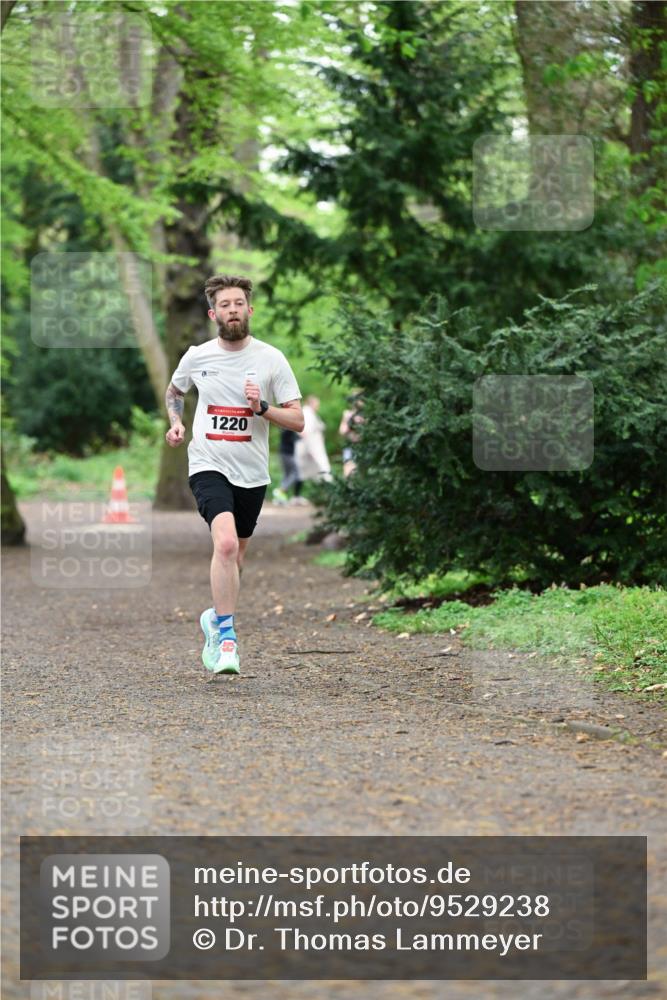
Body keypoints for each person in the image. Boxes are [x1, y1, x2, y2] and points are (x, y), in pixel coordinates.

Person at [165, 274, 303, 675]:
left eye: (239, 303)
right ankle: (226, 639)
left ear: (249, 309)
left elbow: (297, 420)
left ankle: (214, 615)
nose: (232, 310)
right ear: (213, 313)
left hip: (252, 473)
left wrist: (262, 409)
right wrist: (176, 422)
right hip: (208, 463)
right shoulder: (197, 356)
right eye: (224, 305)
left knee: (237, 556)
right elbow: (175, 391)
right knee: (224, 545)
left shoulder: (271, 359)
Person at [295, 395, 332, 495]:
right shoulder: (307, 413)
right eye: (317, 404)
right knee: (322, 468)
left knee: (313, 472)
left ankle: (323, 494)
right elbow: (306, 432)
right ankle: (328, 493)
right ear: (311, 403)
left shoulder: (311, 414)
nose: (318, 406)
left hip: (312, 447)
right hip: (311, 447)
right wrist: (310, 449)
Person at [272, 428, 303, 505]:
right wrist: (300, 437)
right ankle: (281, 490)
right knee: (296, 473)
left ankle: (279, 498)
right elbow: (293, 438)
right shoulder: (288, 428)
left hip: (284, 453)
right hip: (287, 454)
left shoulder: (285, 428)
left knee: (287, 474)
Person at [338, 391, 364, 477]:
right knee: (349, 469)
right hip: (350, 446)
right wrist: (348, 420)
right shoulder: (348, 414)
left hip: (363, 446)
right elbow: (342, 431)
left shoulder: (365, 415)